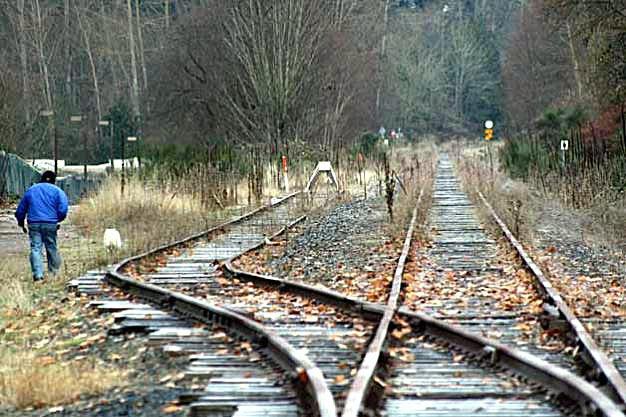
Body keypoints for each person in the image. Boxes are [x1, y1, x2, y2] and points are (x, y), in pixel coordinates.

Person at [15, 171, 69, 282]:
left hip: (34, 223)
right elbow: (63, 210)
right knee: (51, 247)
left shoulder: (31, 190)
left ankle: (38, 275)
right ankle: (54, 273)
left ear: (41, 178)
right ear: (54, 180)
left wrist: (21, 222)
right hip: (50, 224)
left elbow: (21, 210)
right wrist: (57, 219)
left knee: (36, 248)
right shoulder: (58, 191)